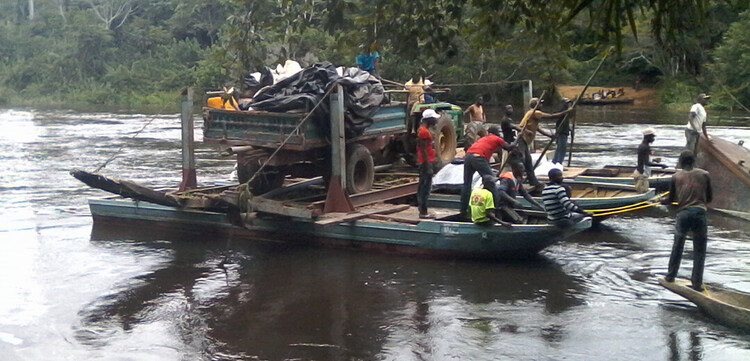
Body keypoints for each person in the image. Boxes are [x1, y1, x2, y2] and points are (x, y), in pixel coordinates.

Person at [662, 150, 712, 292]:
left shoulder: (676, 176)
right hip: (700, 213)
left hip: (683, 214)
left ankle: (670, 276)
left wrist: (662, 201)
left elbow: (671, 200)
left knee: (678, 245)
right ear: (693, 161)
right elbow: (709, 198)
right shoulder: (705, 175)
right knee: (700, 250)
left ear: (681, 162)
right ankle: (697, 283)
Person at [460, 126, 515, 218]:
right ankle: (495, 209)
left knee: (467, 184)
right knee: (491, 182)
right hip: (479, 158)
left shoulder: (484, 138)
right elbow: (508, 148)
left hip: (468, 156)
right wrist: (516, 142)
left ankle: (463, 209)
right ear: (496, 133)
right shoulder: (497, 138)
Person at [518, 97, 572, 187]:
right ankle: (519, 179)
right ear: (536, 105)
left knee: (528, 161)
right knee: (522, 159)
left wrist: (549, 135)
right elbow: (551, 116)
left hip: (525, 140)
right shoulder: (535, 112)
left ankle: (533, 181)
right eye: (540, 103)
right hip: (522, 139)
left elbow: (537, 128)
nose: (542, 105)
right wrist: (565, 112)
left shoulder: (531, 114)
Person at [416, 109, 439, 219]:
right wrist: (428, 165)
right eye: (434, 118)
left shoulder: (422, 130)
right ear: (429, 119)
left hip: (424, 161)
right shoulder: (424, 132)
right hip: (425, 162)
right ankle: (423, 212)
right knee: (425, 187)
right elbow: (424, 149)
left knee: (422, 186)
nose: (436, 120)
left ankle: (422, 209)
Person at [633, 127, 668, 193]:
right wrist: (661, 165)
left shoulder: (643, 145)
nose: (653, 139)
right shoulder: (645, 147)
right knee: (643, 193)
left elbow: (644, 159)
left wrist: (654, 160)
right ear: (648, 137)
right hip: (642, 175)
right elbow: (647, 163)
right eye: (652, 137)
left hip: (640, 173)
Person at [550, 98, 574, 164]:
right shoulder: (561, 112)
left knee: (560, 148)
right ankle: (558, 163)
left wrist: (569, 129)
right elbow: (558, 120)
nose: (568, 105)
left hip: (564, 131)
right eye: (566, 103)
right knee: (561, 148)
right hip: (561, 132)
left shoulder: (566, 112)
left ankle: (556, 162)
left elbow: (566, 121)